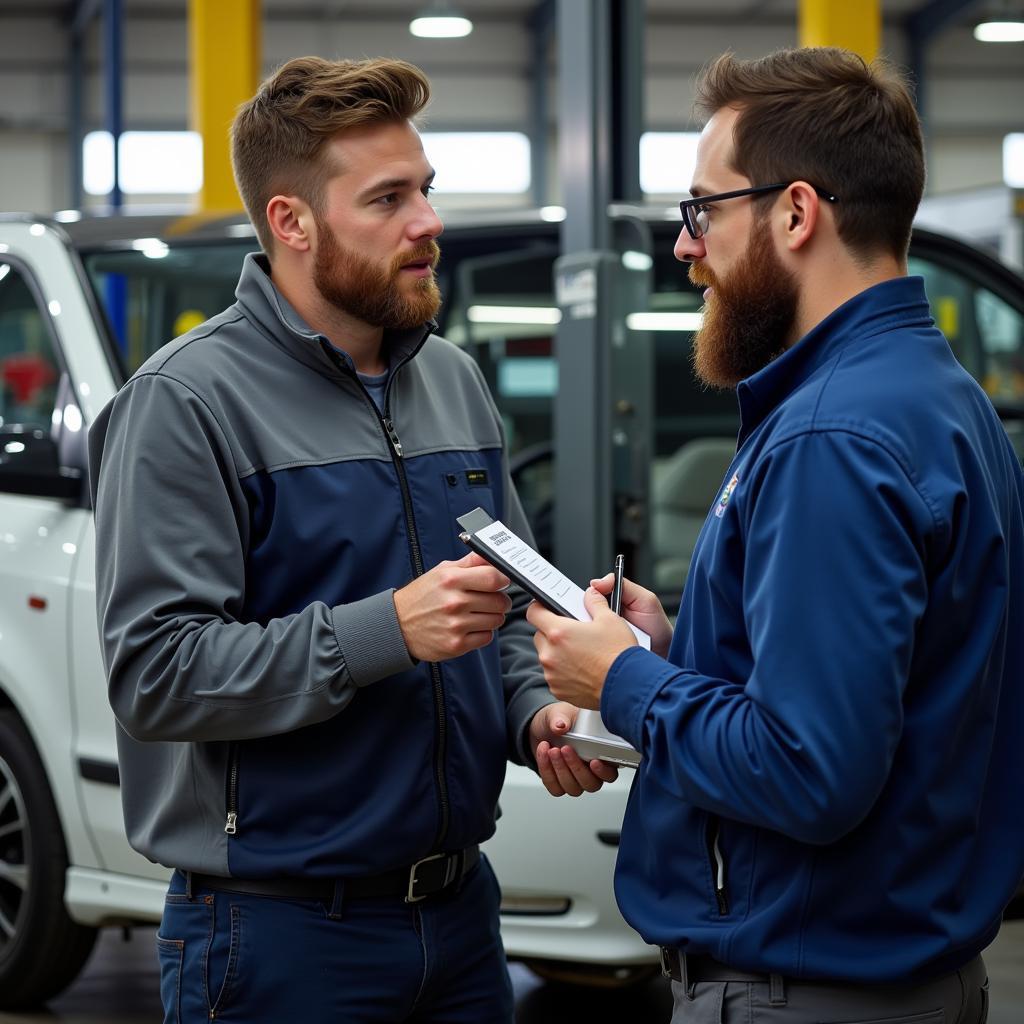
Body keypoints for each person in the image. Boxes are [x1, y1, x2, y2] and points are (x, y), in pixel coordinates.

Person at [88, 55, 614, 1024]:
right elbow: (155, 672)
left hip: (459, 924)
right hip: (277, 940)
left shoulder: (452, 380)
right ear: (292, 222)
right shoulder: (186, 404)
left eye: (425, 190)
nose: (429, 223)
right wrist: (386, 630)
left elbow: (499, 611)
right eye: (388, 199)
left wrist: (536, 712)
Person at [528, 46, 1024, 1024]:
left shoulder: (830, 437)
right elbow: (888, 690)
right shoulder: (938, 395)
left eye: (702, 209)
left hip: (807, 989)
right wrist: (673, 650)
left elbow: (809, 769)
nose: (685, 246)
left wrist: (619, 683)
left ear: (795, 212)